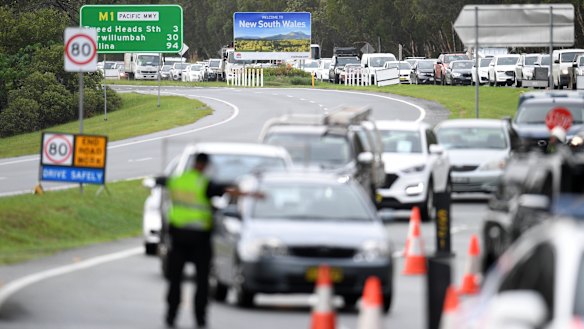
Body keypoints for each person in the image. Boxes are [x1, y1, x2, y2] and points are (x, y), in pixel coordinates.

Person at [163, 152, 261, 328]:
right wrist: (251, 194)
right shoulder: (204, 183)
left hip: (178, 237)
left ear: (194, 163)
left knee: (175, 280)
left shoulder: (178, 180)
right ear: (204, 165)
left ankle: (171, 316)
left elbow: (162, 182)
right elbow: (227, 190)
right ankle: (200, 319)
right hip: (200, 239)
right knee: (202, 281)